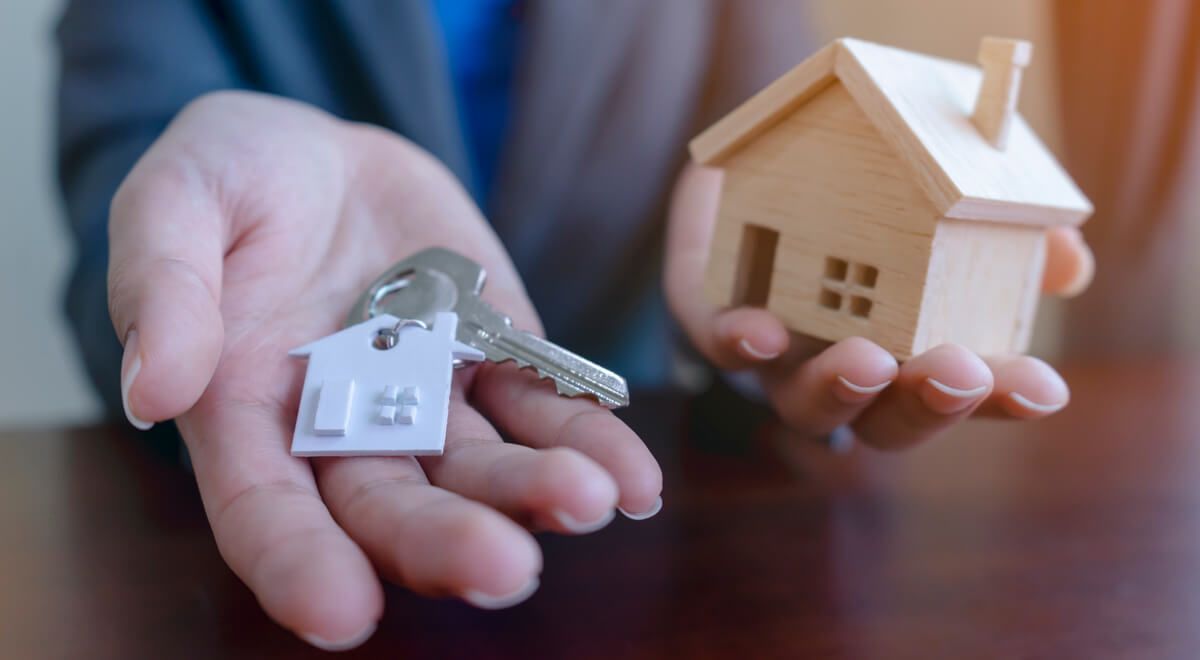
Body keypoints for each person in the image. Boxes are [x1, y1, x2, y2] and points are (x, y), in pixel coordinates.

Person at [56, 1, 1093, 651]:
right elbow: (124, 211)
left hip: (650, 540)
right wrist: (170, 290)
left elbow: (778, 130)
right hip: (216, 554)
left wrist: (763, 332)